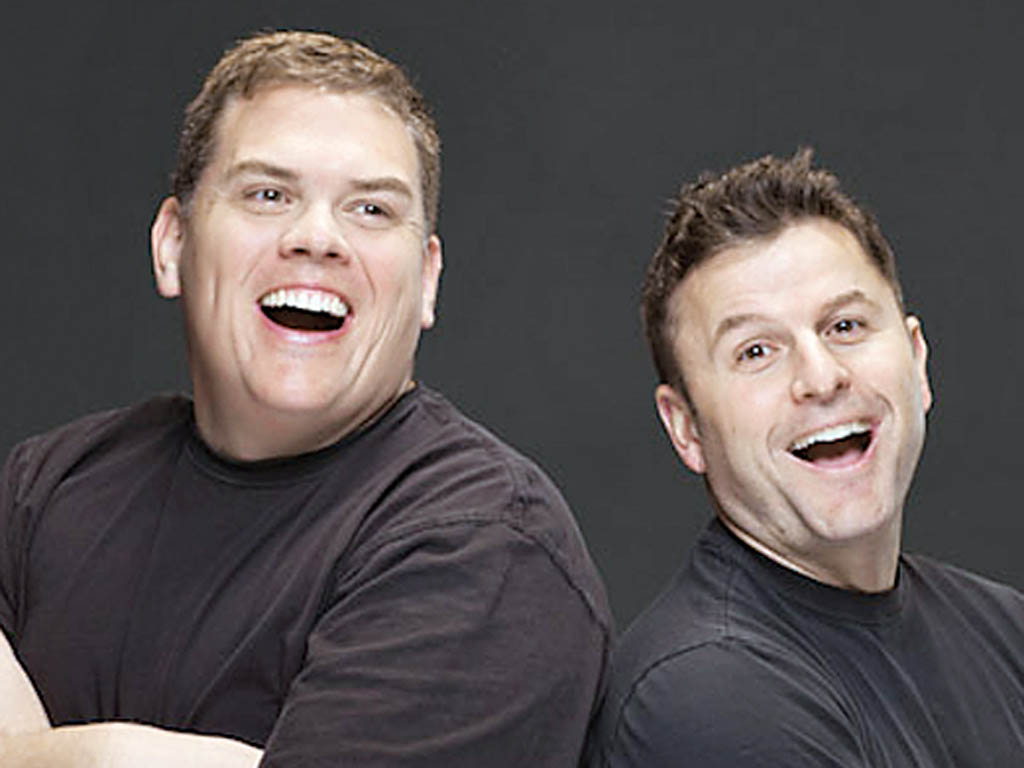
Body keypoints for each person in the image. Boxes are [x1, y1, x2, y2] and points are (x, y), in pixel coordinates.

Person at [0, 30, 611, 767]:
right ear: (172, 244)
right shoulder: (44, 490)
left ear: (426, 281)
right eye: (268, 194)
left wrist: (55, 753)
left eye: (371, 209)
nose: (317, 237)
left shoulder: (484, 545)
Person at [586, 149, 1024, 766]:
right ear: (686, 428)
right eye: (756, 352)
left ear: (918, 361)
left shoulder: (1002, 629)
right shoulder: (704, 698)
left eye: (845, 326)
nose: (820, 378)